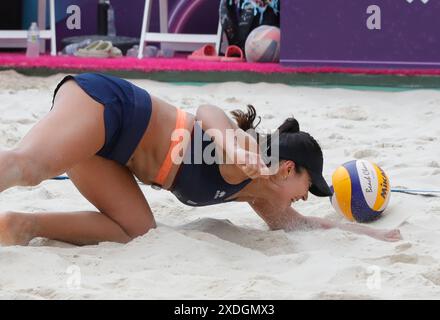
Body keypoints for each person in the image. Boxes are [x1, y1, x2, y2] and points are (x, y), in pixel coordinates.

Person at [0, 73, 402, 246]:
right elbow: (208, 110)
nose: (307, 196)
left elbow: (307, 226)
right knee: (29, 168)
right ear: (287, 168)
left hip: (111, 156)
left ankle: (22, 225)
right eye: (308, 186)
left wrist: (375, 236)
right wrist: (232, 145)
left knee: (136, 230)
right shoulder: (243, 152)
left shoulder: (261, 195)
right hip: (112, 108)